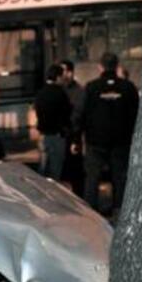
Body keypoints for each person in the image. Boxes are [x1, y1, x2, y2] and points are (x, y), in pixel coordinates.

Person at [81, 52, 140, 214]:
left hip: (96, 141)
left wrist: (78, 136)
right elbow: (136, 114)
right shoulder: (128, 88)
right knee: (120, 177)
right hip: (121, 141)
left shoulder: (91, 87)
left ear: (100, 67)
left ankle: (91, 211)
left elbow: (81, 113)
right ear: (117, 66)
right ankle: (119, 210)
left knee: (92, 178)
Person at [34, 64, 72, 181]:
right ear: (58, 77)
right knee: (55, 171)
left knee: (43, 170)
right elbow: (66, 114)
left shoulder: (40, 93)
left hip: (43, 135)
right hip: (57, 135)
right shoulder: (60, 93)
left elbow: (38, 112)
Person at [60, 59, 85, 195]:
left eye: (62, 71)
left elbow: (78, 115)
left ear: (69, 72)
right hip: (64, 134)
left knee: (75, 171)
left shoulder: (78, 91)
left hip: (72, 135)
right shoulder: (61, 89)